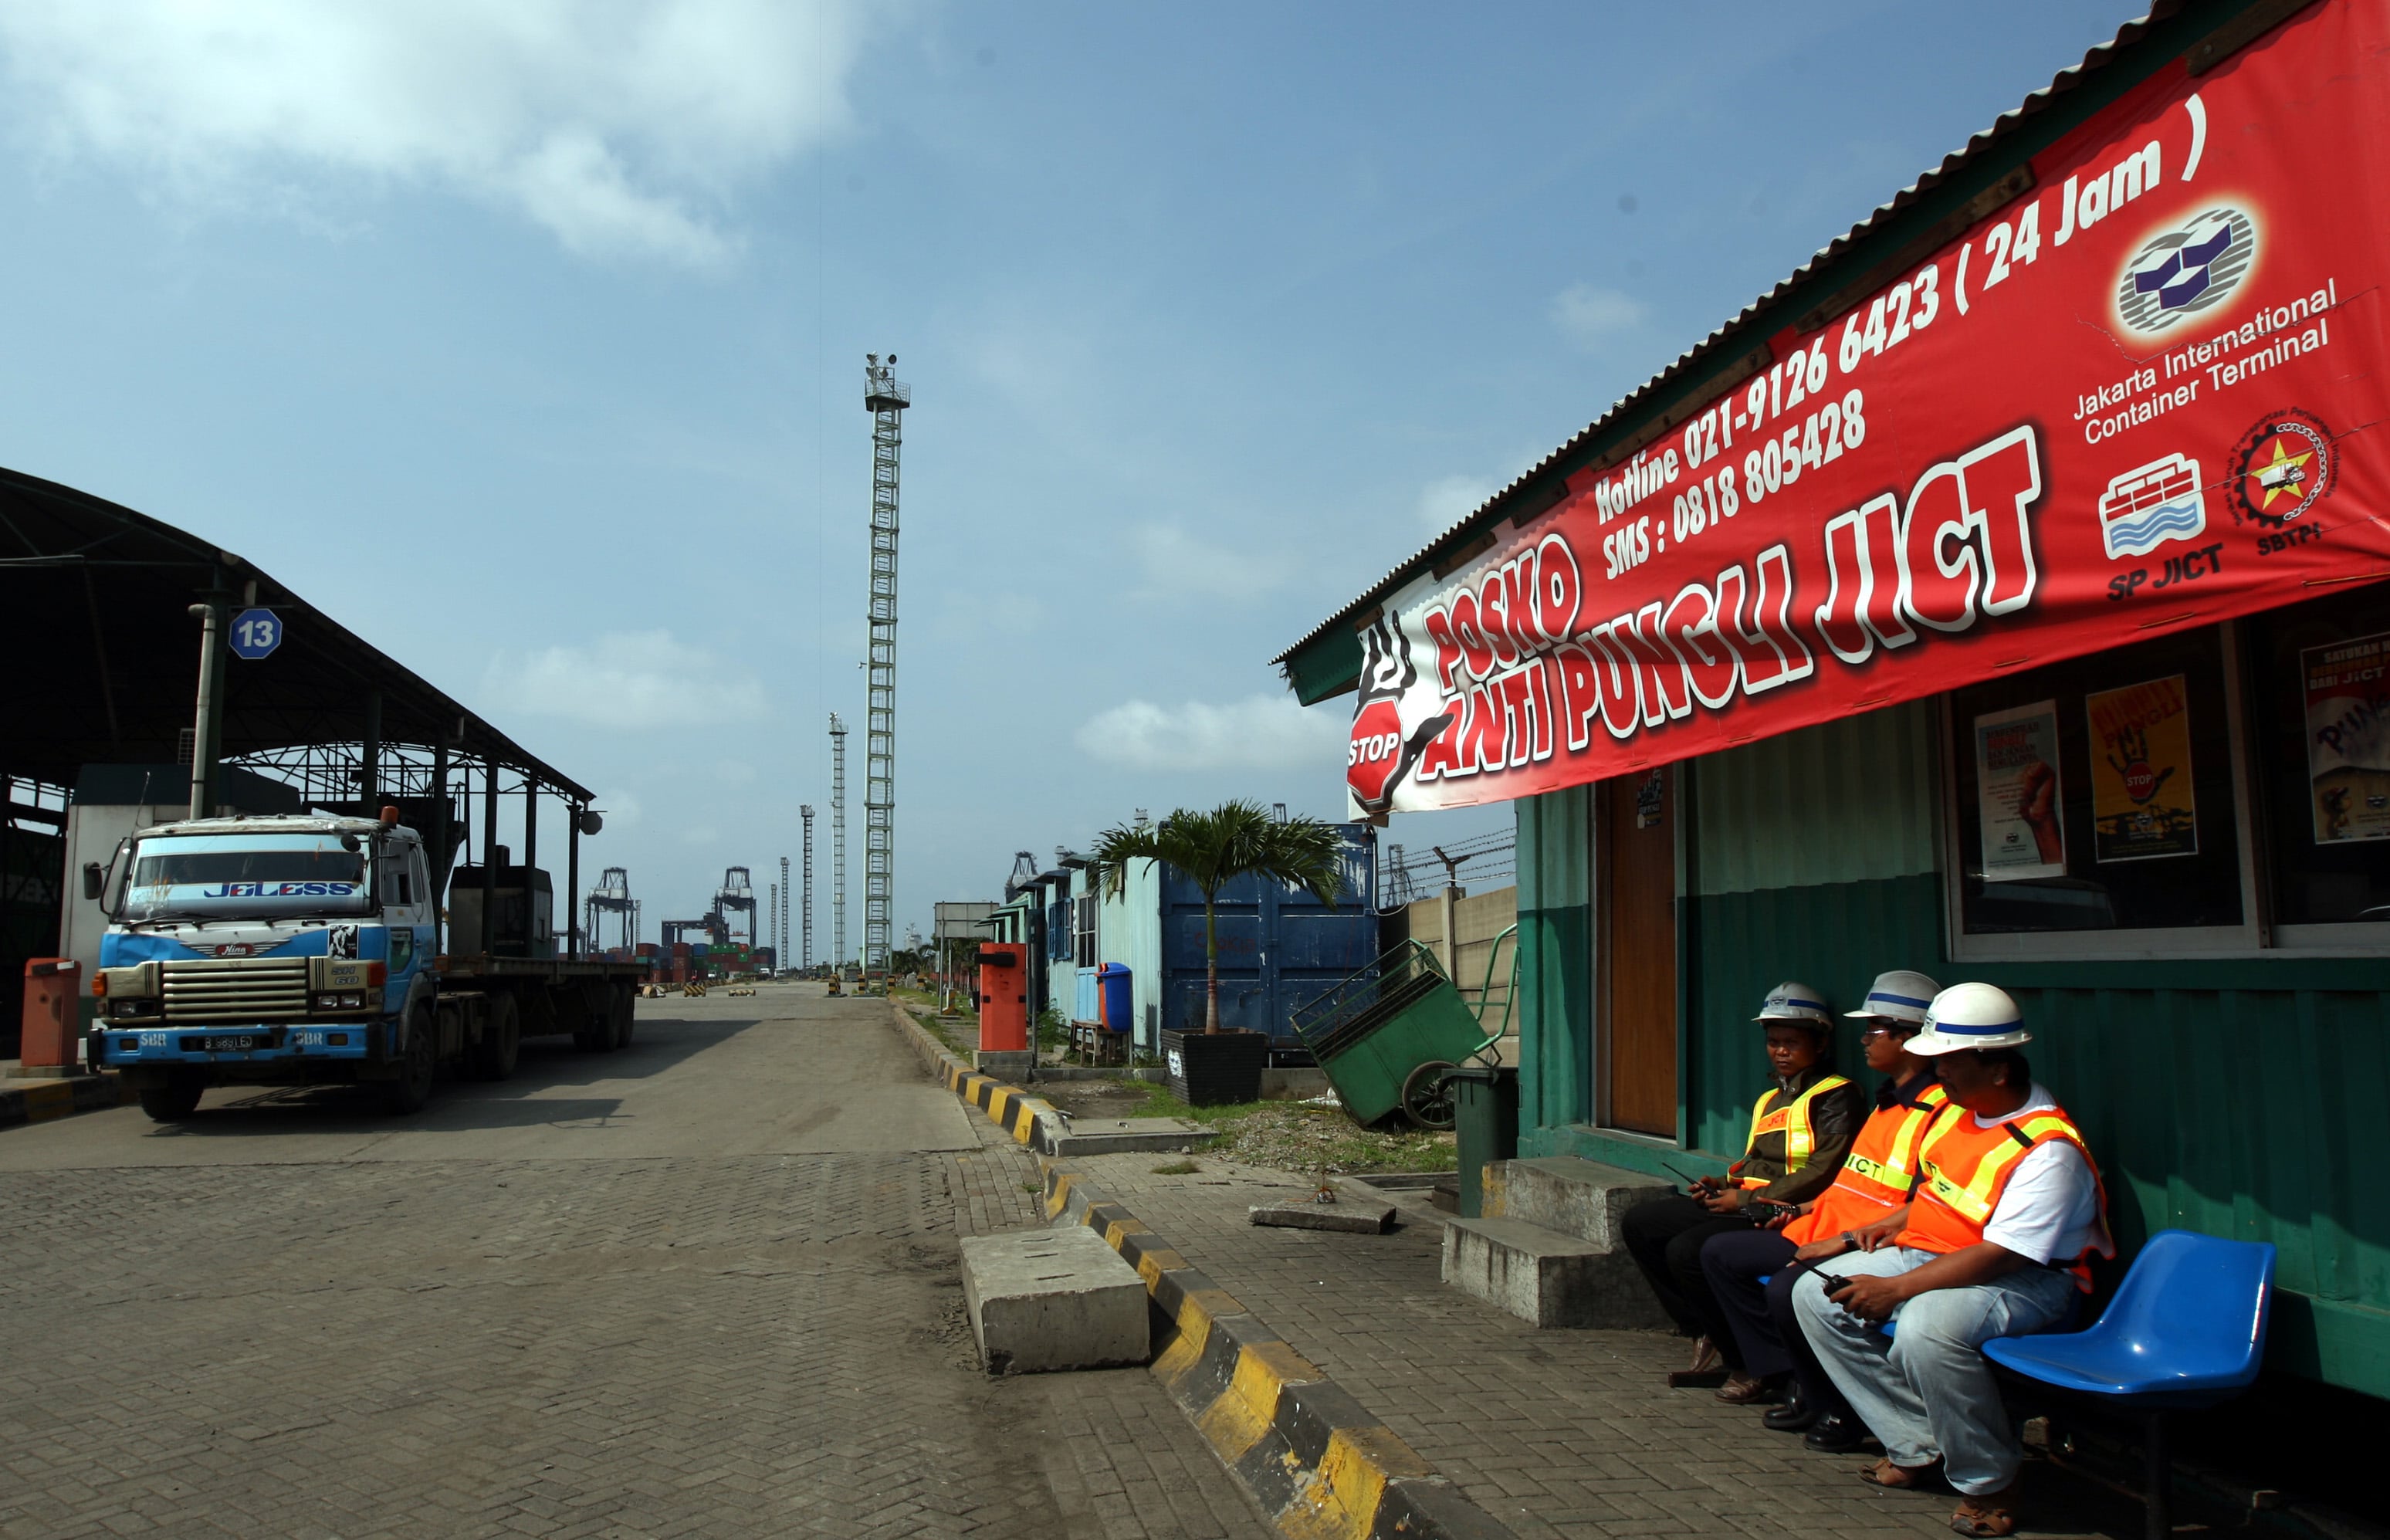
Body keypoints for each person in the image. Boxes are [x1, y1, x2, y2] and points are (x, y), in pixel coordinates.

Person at [1789, 983, 2114, 1539]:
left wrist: (1897, 1289)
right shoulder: (1965, 1112)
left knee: (1925, 1328)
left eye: (1949, 1062)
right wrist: (1862, 1236)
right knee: (1814, 1294)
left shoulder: (2048, 1149)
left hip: (2026, 1281)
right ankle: (1919, 1441)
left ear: (1997, 1069)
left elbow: (2001, 1254)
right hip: (1939, 1257)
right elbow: (1938, 1196)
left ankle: (1989, 1481)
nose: (1938, 1074)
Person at [1698, 970, 1945, 1433]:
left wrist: (1841, 1238)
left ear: (1910, 1037)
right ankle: (1796, 1381)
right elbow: (1853, 1182)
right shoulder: (1888, 1101)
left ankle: (1834, 1403)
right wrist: (1797, 1210)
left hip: (1866, 1241)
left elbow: (1919, 1204)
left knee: (1784, 1287)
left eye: (1874, 1029)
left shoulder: (1934, 1109)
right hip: (1825, 1224)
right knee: (1716, 1253)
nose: (1865, 1039)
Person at [1620, 981, 1865, 1386]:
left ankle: (1750, 1363)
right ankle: (1706, 1329)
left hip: (1780, 1209)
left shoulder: (1837, 1096)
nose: (1781, 1051)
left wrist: (1749, 1199)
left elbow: (1825, 1169)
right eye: (1774, 1042)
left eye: (1792, 1042)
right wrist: (1719, 1183)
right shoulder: (1770, 1100)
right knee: (1641, 1223)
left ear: (1820, 1044)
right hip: (1743, 1199)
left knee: (1688, 1250)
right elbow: (1753, 1161)